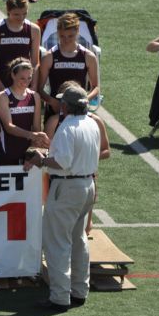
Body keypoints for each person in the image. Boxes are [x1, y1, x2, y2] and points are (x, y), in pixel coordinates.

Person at [24, 85, 100, 312]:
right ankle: (79, 290)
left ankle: (59, 296)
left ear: (66, 106)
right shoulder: (92, 123)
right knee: (79, 240)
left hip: (67, 187)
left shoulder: (67, 128)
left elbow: (63, 162)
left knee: (57, 243)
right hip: (87, 184)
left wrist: (42, 160)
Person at [45, 80, 111, 235]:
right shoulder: (55, 121)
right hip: (64, 179)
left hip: (77, 179)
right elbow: (47, 149)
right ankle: (79, 259)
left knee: (72, 232)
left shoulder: (92, 122)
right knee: (76, 234)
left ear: (65, 105)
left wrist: (82, 158)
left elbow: (106, 151)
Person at [38, 12, 100, 117]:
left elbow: (96, 87)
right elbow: (39, 89)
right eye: (62, 36)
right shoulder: (49, 57)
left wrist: (84, 99)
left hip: (79, 110)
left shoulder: (88, 56)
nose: (66, 40)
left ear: (77, 31)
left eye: (70, 36)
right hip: (56, 110)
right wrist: (53, 102)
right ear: (57, 32)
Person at [0, 58, 48, 165]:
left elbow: (37, 128)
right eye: (22, 78)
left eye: (29, 78)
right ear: (13, 75)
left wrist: (32, 153)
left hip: (27, 153)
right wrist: (32, 135)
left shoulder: (35, 96)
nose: (26, 82)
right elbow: (9, 127)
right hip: (6, 152)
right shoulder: (3, 96)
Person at [0, 0, 41, 92]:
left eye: (24, 13)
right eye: (16, 14)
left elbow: (35, 63)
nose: (21, 18)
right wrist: (3, 91)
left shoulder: (34, 30)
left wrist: (33, 87)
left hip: (25, 89)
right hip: (1, 86)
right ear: (8, 11)